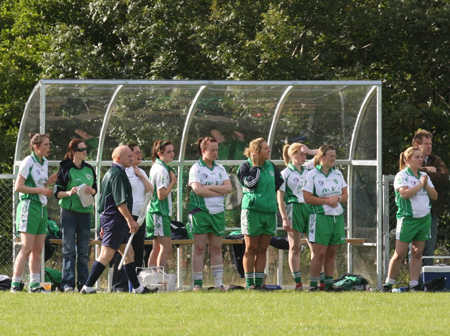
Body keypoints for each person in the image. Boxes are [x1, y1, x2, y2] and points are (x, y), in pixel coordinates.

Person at [80, 146, 154, 294]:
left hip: (115, 220)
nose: (132, 159)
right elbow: (120, 202)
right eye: (128, 156)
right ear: (119, 158)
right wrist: (130, 221)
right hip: (115, 220)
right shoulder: (117, 174)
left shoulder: (117, 172)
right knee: (106, 255)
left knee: (129, 253)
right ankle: (87, 287)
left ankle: (137, 288)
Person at [383, 147, 437, 292]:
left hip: (424, 218)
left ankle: (414, 284)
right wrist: (420, 185)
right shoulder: (402, 175)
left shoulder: (424, 175)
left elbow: (434, 196)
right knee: (399, 253)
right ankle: (388, 283)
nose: (420, 160)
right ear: (407, 160)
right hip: (407, 219)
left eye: (421, 157)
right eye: (416, 157)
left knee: (417, 252)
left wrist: (425, 184)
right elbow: (405, 194)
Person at [11, 133, 57, 292]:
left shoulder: (44, 162)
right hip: (29, 206)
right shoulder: (28, 161)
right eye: (45, 144)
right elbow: (19, 186)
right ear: (36, 147)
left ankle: (35, 285)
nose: (48, 147)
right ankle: (15, 284)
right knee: (27, 248)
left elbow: (39, 182)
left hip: (41, 208)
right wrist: (40, 190)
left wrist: (48, 182)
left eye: (49, 144)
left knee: (38, 249)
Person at [237, 138, 284, 289]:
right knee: (251, 248)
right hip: (252, 212)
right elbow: (250, 183)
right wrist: (256, 166)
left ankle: (259, 283)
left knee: (263, 248)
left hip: (269, 212)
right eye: (265, 149)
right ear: (256, 152)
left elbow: (279, 183)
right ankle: (250, 283)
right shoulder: (246, 166)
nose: (269, 151)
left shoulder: (271, 166)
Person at [188, 137, 232, 291]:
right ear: (203, 151)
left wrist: (211, 188)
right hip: (201, 212)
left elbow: (228, 188)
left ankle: (219, 283)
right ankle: (197, 284)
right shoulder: (196, 168)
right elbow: (198, 190)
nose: (215, 153)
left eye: (217, 150)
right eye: (212, 150)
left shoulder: (220, 169)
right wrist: (216, 190)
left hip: (218, 212)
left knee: (217, 248)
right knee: (200, 247)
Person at [303, 145, 348, 292]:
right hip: (320, 217)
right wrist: (326, 200)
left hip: (337, 217)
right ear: (322, 157)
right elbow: (307, 198)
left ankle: (328, 285)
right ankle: (313, 285)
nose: (333, 159)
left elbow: (345, 196)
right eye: (330, 156)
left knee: (332, 252)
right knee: (319, 253)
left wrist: (338, 198)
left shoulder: (338, 174)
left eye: (335, 156)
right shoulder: (312, 175)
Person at [55, 139, 97, 292]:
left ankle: (84, 285)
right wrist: (69, 192)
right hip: (69, 213)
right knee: (69, 250)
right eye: (81, 149)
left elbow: (95, 189)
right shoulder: (66, 168)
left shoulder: (90, 169)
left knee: (83, 251)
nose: (85, 152)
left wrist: (91, 191)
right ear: (73, 152)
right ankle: (67, 284)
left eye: (86, 149)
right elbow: (57, 193)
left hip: (85, 213)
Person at [111, 143, 154, 292]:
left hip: (140, 215)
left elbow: (151, 190)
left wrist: (141, 176)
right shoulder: (122, 172)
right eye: (134, 153)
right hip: (126, 215)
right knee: (123, 251)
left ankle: (136, 285)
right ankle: (119, 285)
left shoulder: (140, 171)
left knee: (137, 250)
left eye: (139, 153)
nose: (138, 155)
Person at [277, 143, 316, 290]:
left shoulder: (309, 168)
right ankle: (298, 282)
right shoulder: (285, 173)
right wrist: (284, 218)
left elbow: (324, 153)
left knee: (315, 247)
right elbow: (280, 198)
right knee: (295, 247)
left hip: (309, 208)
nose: (303, 156)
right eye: (300, 154)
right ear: (292, 155)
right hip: (294, 209)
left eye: (304, 154)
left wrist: (310, 150)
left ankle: (315, 282)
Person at [412, 130, 449, 266]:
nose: (429, 146)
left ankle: (427, 279)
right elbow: (410, 173)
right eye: (426, 143)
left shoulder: (436, 160)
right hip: (414, 211)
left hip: (431, 210)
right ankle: (414, 281)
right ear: (417, 144)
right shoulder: (408, 156)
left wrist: (425, 171)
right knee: (415, 249)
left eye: (430, 143)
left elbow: (444, 176)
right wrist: (429, 170)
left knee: (430, 245)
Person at [147, 140, 177, 270]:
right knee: (166, 247)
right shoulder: (161, 170)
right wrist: (173, 182)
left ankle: (152, 277)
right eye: (168, 152)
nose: (172, 154)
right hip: (158, 212)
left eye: (173, 151)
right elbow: (161, 195)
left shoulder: (159, 167)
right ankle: (160, 278)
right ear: (160, 154)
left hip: (156, 212)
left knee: (157, 247)